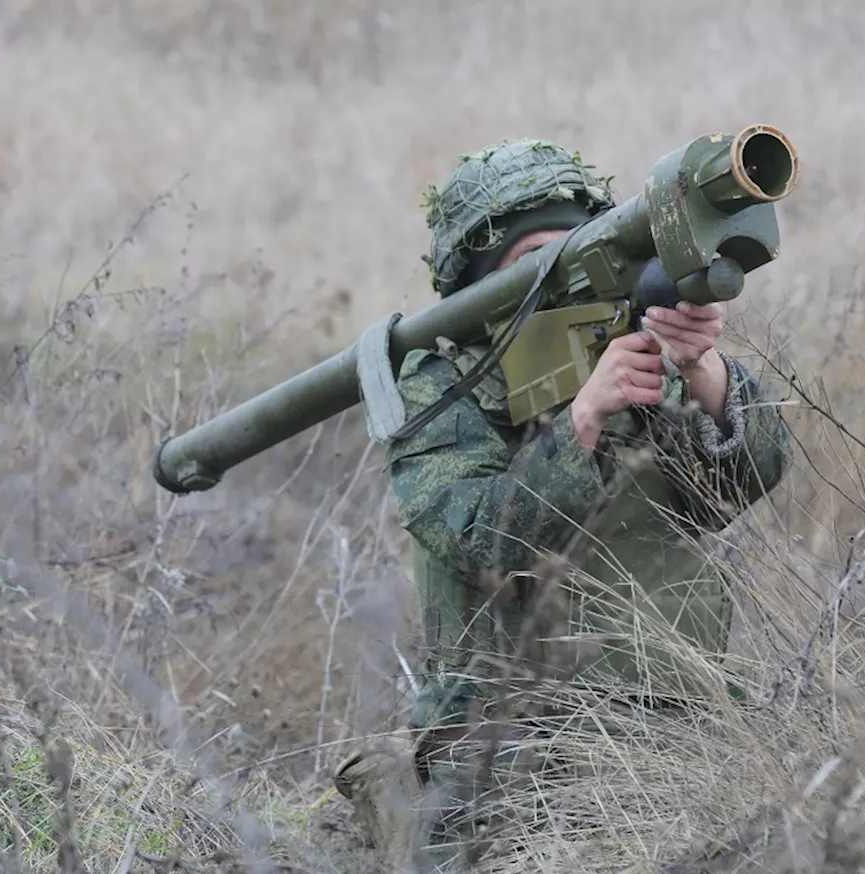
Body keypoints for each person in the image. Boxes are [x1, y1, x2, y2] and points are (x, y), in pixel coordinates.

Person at [334, 138, 791, 871]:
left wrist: (703, 373)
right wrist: (583, 421)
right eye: (529, 263)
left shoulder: (631, 345)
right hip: (509, 732)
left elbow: (731, 495)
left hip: (682, 715)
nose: (558, 282)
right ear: (479, 288)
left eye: (570, 253)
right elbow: (486, 542)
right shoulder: (441, 386)